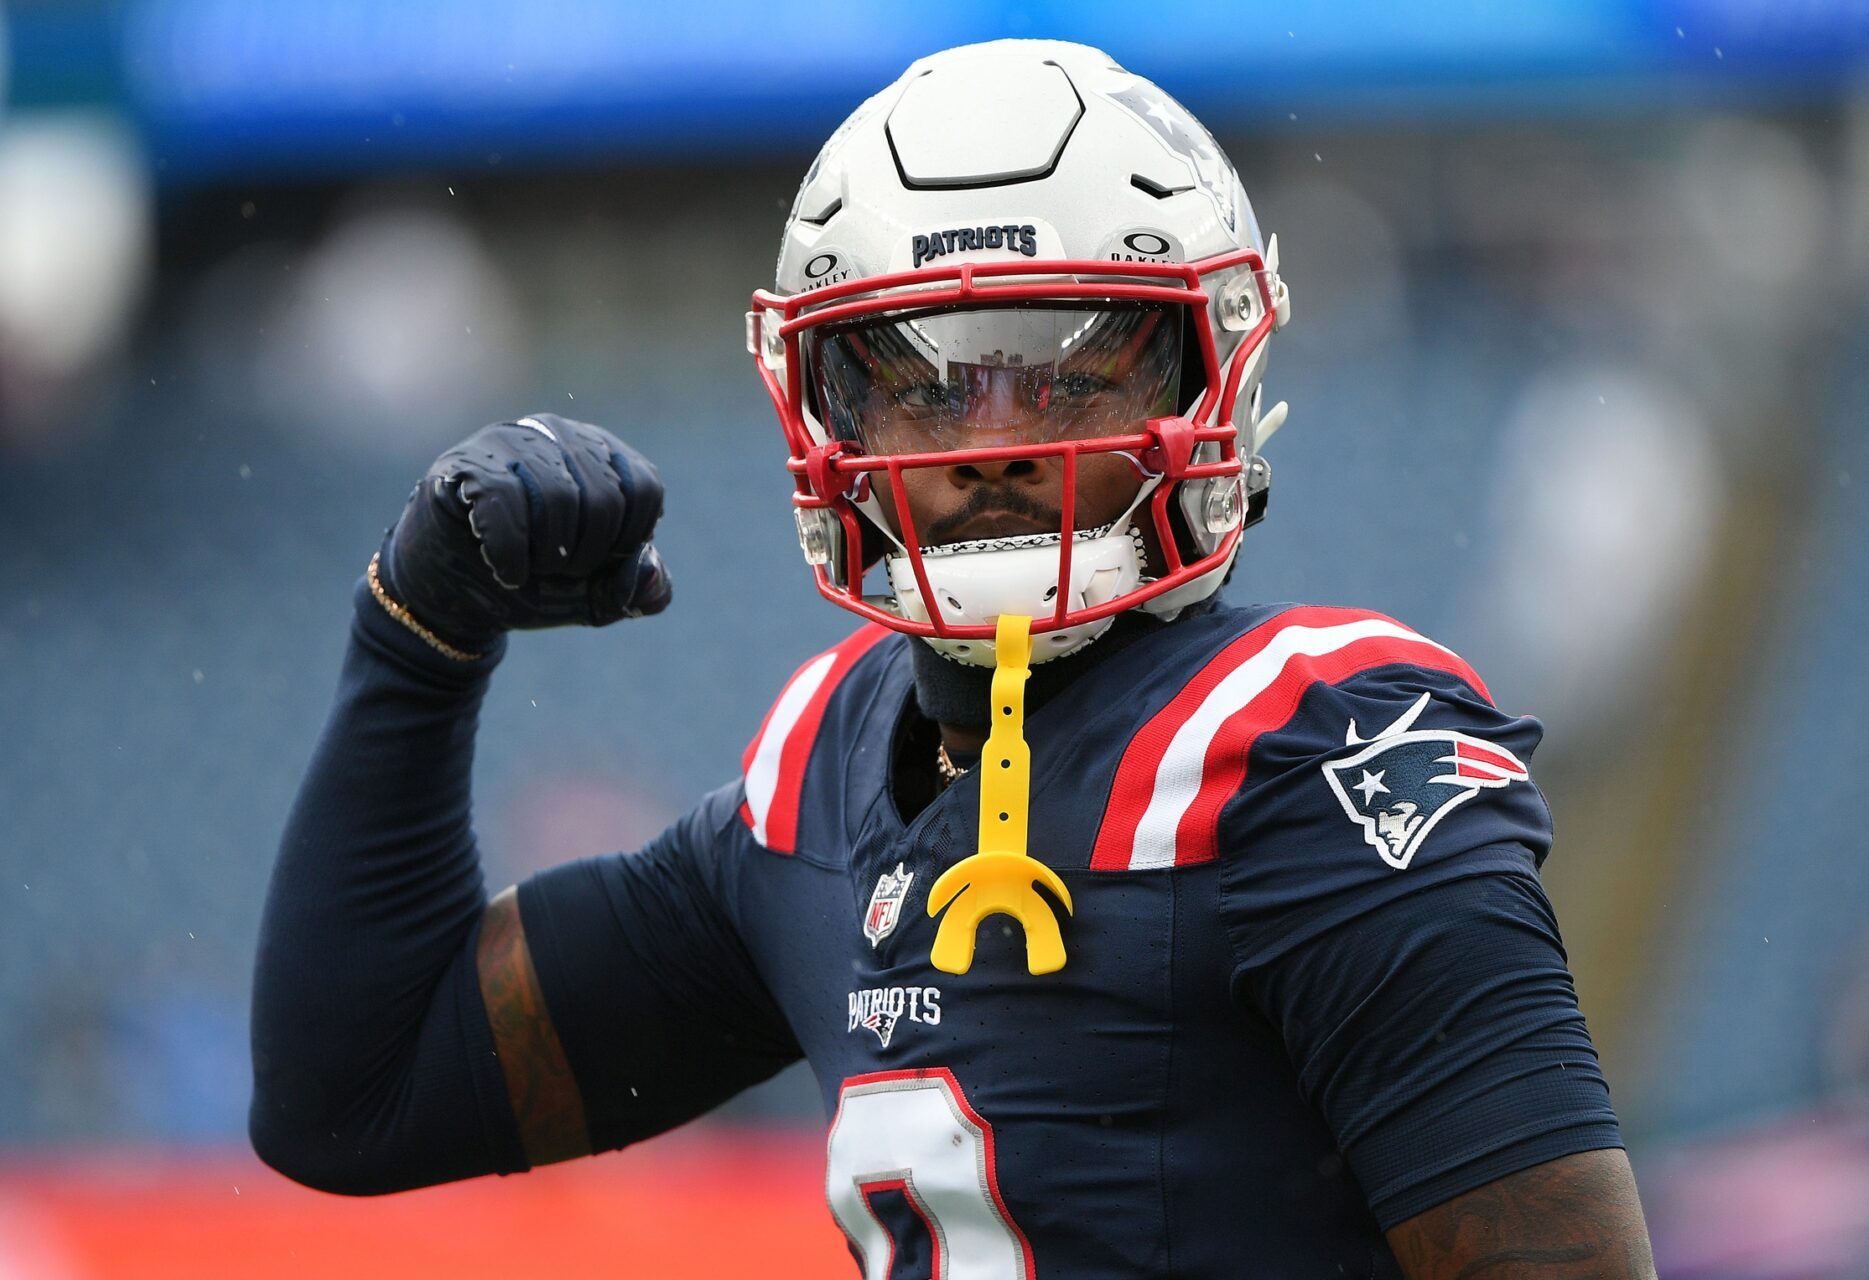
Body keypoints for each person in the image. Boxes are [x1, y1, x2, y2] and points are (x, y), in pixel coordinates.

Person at [251, 39, 1657, 1278]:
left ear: (1210, 370)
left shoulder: (1308, 749)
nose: (994, 442)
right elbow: (357, 1096)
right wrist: (420, 637)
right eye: (925, 383)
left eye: (1073, 369)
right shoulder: (817, 778)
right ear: (826, 417)